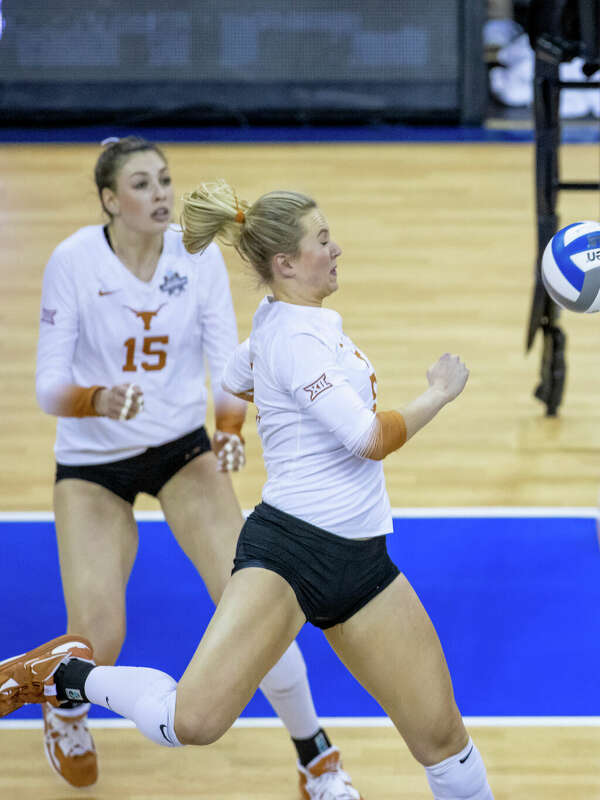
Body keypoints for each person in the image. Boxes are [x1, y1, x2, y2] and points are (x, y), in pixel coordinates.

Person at [8, 179, 494, 800]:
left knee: (443, 740)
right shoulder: (295, 339)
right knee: (192, 721)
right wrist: (439, 392)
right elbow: (369, 439)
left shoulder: (282, 325)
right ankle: (67, 675)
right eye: (323, 240)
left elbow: (238, 375)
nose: (337, 248)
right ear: (286, 263)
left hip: (362, 560)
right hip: (289, 556)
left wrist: (260, 422)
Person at [32, 137, 358, 798]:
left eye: (165, 180)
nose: (160, 195)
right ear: (108, 200)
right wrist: (97, 399)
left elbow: (226, 358)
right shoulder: (71, 260)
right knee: (99, 636)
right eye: (143, 184)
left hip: (181, 449)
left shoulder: (195, 252)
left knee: (255, 603)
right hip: (93, 460)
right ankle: (65, 706)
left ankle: (314, 753)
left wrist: (229, 429)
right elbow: (47, 387)